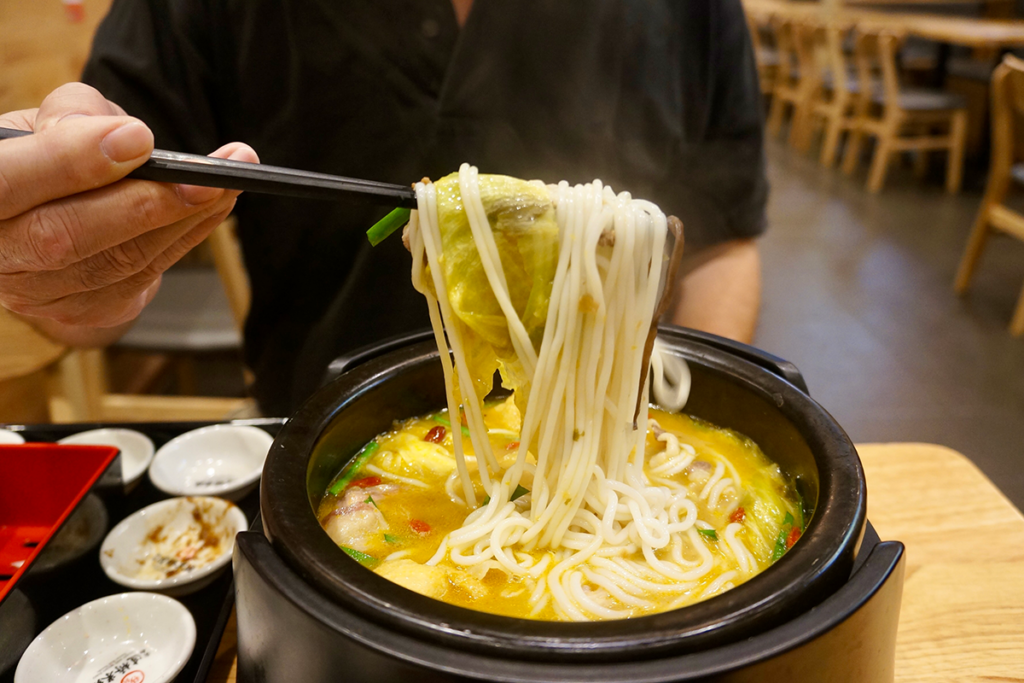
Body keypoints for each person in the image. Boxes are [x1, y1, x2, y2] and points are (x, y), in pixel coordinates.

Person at [0, 0, 767, 416]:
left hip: (621, 429)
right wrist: (66, 263)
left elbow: (721, 244)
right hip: (318, 447)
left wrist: (673, 422)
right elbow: (106, 235)